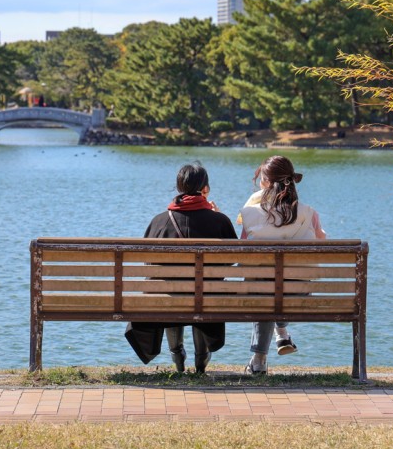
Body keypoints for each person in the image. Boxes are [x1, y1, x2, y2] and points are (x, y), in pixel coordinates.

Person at [125, 162, 238, 373]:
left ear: (179, 188)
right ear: (205, 189)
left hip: (166, 299)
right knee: (200, 293)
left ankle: (177, 356)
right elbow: (232, 259)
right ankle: (201, 359)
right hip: (206, 297)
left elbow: (147, 261)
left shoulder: (158, 221)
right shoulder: (219, 220)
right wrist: (218, 215)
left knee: (171, 291)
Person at [238, 155, 326, 375]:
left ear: (266, 183)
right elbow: (322, 244)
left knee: (264, 288)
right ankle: (282, 333)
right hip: (298, 294)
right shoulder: (309, 213)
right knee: (278, 287)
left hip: (260, 293)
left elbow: (241, 254)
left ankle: (258, 360)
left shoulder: (249, 213)